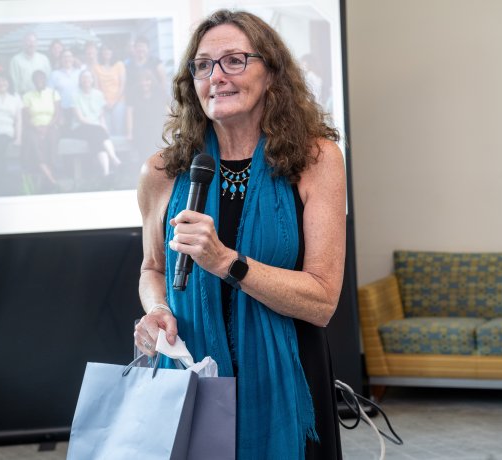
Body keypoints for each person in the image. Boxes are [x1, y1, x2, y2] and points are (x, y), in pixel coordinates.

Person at [133, 9, 346, 460]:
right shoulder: (162, 171)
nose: (217, 76)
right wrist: (155, 311)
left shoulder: (316, 159)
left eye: (234, 60)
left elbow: (323, 300)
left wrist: (226, 261)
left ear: (271, 74)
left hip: (287, 379)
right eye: (204, 65)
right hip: (191, 375)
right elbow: (153, 269)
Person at [72, 69, 121, 177]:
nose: (86, 80)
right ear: (80, 80)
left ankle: (106, 172)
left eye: (89, 77)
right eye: (83, 77)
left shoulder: (98, 94)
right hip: (80, 127)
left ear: (92, 80)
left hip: (96, 130)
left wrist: (104, 126)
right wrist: (99, 126)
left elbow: (101, 116)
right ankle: (114, 159)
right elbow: (80, 119)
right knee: (97, 132)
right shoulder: (75, 95)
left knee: (96, 140)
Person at [22, 70, 61, 192]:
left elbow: (57, 114)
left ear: (45, 80)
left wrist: (48, 126)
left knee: (52, 139)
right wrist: (36, 127)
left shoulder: (53, 93)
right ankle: (51, 178)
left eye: (42, 79)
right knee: (33, 141)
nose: (39, 81)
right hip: (33, 126)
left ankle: (51, 173)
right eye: (37, 79)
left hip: (51, 125)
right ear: (33, 81)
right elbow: (25, 117)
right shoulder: (27, 96)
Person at [125, 69, 166, 161]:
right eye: (142, 81)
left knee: (156, 144)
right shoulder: (134, 94)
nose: (145, 83)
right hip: (140, 127)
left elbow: (165, 112)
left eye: (147, 80)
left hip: (155, 127)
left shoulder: (158, 94)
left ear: (151, 81)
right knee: (143, 146)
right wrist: (129, 133)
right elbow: (129, 114)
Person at [92, 43, 126, 135]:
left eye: (109, 49)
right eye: (104, 50)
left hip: (118, 101)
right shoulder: (96, 67)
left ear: (112, 52)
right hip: (103, 103)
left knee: (118, 128)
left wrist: (114, 102)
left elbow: (122, 85)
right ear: (101, 53)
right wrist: (104, 102)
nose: (106, 52)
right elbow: (96, 87)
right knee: (106, 130)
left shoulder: (119, 65)